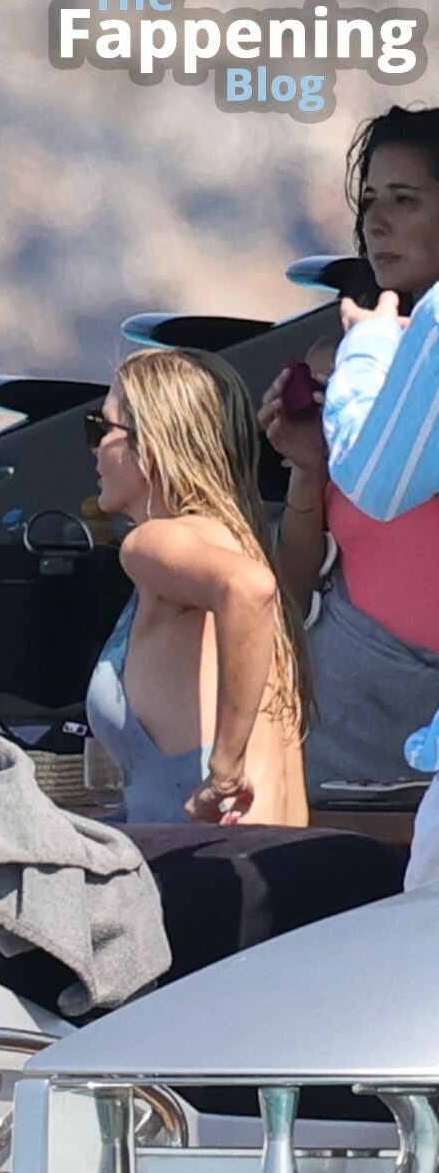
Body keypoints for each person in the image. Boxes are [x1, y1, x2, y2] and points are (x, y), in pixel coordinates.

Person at [259, 105, 439, 795]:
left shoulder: (383, 362)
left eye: (404, 200)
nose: (376, 223)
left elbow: (384, 492)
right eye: (369, 202)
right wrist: (309, 467)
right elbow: (298, 583)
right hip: (337, 725)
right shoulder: (345, 367)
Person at [85, 348, 309, 826]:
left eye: (101, 428)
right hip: (273, 857)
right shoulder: (238, 540)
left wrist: (225, 769)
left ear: (150, 445)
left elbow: (248, 588)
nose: (95, 447)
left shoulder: (154, 543)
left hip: (211, 860)